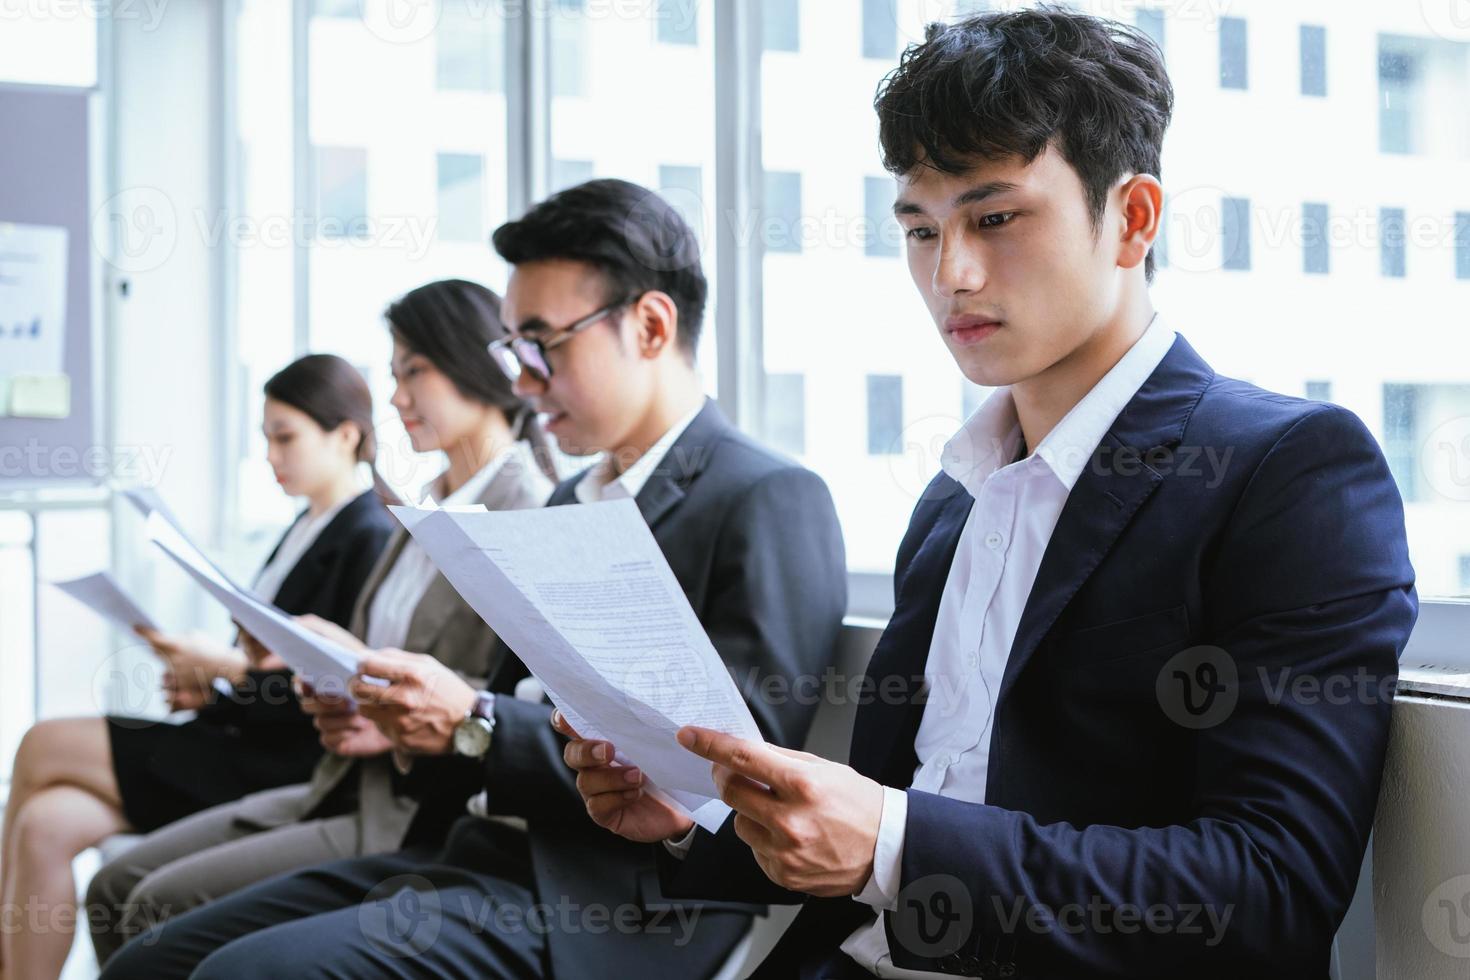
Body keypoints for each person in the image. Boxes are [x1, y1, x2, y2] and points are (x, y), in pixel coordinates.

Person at [564, 10, 1417, 979]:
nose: (949, 273)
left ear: (1133, 217)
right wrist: (695, 821)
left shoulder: (1290, 470)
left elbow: (1268, 888)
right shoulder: (954, 497)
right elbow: (885, 822)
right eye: (921, 228)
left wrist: (893, 839)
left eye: (995, 218)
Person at [99, 179, 849, 980]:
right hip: (473, 850)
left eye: (543, 346)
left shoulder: (765, 496)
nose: (523, 382)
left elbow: (739, 777)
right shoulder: (569, 496)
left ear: (651, 326)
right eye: (513, 351)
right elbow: (502, 712)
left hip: (609, 900)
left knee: (236, 975)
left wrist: (475, 719)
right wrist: (408, 718)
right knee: (153, 958)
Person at [86, 278, 557, 965]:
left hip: (411, 808)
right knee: (117, 883)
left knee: (153, 905)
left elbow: (511, 695)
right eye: (394, 375)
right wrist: (335, 663)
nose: (396, 398)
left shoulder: (530, 511)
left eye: (414, 371)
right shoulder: (425, 504)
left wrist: (388, 709)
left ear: (471, 363)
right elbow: (390, 652)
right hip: (339, 782)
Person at [0, 353, 395, 980]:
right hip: (237, 736)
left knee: (42, 744)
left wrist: (227, 676)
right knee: (45, 824)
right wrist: (213, 687)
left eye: (286, 437)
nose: (272, 456)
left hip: (272, 760)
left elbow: (318, 689)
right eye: (266, 439)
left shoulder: (367, 533)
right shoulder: (306, 523)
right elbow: (267, 663)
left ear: (346, 435)